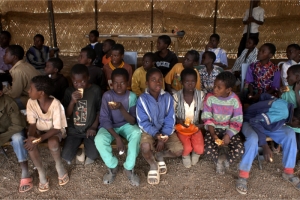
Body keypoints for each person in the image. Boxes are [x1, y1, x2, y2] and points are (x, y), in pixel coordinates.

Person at [236, 93, 300, 195]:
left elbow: (264, 96)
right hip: (249, 120)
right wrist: (264, 145)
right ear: (295, 119)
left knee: (290, 133)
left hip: (264, 124)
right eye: (297, 125)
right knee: (253, 139)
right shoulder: (282, 113)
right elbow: (255, 121)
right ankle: (243, 175)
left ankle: (288, 172)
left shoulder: (286, 105)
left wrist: (258, 99)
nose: (297, 127)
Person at [95, 68, 141, 186]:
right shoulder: (107, 96)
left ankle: (129, 167)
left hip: (126, 125)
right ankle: (112, 166)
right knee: (99, 139)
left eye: (122, 83)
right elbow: (104, 119)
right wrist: (117, 138)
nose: (119, 86)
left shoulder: (131, 96)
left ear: (127, 83)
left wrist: (121, 107)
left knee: (137, 133)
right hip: (110, 126)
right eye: (116, 83)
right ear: (111, 83)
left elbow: (132, 120)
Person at [137, 68, 183, 185]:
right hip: (150, 131)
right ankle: (153, 165)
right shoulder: (142, 99)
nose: (157, 82)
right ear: (147, 83)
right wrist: (157, 135)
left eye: (160, 80)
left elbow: (170, 118)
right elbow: (143, 122)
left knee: (179, 151)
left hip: (166, 130)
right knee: (145, 147)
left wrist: (164, 136)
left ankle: (160, 154)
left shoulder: (167, 97)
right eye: (153, 80)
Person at [24, 75, 69, 192]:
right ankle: (41, 172)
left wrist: (40, 138)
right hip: (40, 130)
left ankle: (59, 166)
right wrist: (31, 137)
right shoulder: (31, 102)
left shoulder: (56, 104)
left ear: (41, 93)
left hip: (55, 130)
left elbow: (57, 128)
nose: (28, 91)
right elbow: (32, 124)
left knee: (53, 142)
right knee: (31, 145)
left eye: (31, 89)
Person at [201, 71, 243, 174]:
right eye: (215, 86)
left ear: (228, 89)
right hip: (213, 129)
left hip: (228, 129)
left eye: (219, 88)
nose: (214, 89)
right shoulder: (209, 98)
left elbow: (237, 120)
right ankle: (218, 161)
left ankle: (226, 160)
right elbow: (207, 118)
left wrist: (228, 135)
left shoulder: (235, 100)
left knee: (240, 150)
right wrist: (213, 134)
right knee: (207, 149)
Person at [62, 64, 101, 165]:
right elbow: (66, 114)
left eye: (83, 81)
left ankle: (86, 150)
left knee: (93, 155)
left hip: (89, 130)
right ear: (71, 80)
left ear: (88, 78)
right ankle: (79, 149)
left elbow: (99, 110)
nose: (79, 85)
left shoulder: (95, 90)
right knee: (66, 156)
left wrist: (93, 127)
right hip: (73, 130)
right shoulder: (69, 91)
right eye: (75, 82)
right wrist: (72, 101)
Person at [0, 82, 31, 193]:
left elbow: (17, 125)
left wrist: (2, 138)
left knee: (18, 138)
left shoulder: (8, 102)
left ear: (0, 93)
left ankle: (24, 170)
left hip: (12, 129)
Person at [173, 68, 205, 168]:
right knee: (186, 148)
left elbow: (203, 112)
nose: (190, 84)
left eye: (193, 81)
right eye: (187, 81)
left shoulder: (201, 95)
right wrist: (178, 120)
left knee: (200, 149)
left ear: (196, 82)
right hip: (182, 127)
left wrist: (201, 124)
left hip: (195, 126)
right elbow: (172, 114)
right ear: (182, 82)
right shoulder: (176, 96)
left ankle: (196, 153)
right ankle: (185, 155)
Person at [3, 45, 40, 109]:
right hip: (38, 96)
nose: (3, 56)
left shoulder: (17, 71)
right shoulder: (26, 65)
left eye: (6, 54)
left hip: (33, 100)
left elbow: (14, 94)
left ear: (14, 57)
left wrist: (2, 91)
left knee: (4, 102)